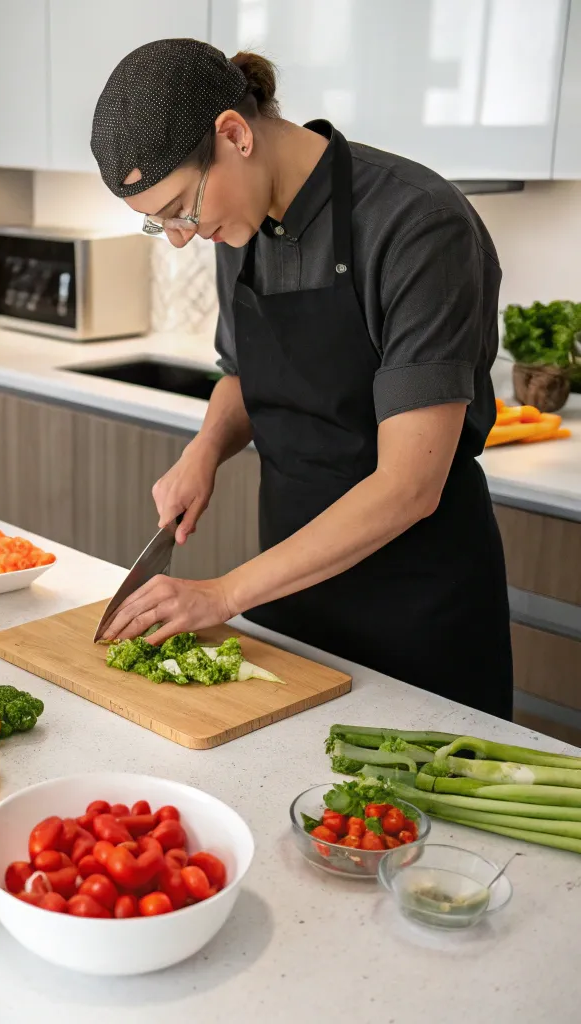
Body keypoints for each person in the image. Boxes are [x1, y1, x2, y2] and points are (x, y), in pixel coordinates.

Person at [89, 39, 512, 718]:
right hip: (289, 592)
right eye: (158, 221)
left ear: (234, 135)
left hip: (417, 608)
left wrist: (222, 595)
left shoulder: (418, 225)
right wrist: (205, 451)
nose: (178, 236)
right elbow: (243, 375)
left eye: (179, 210)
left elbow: (409, 486)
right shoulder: (238, 222)